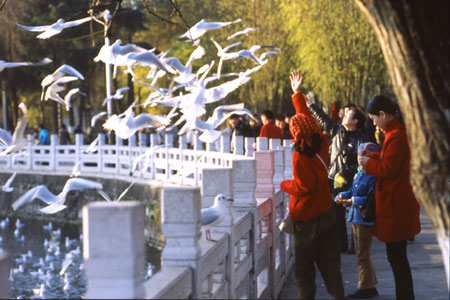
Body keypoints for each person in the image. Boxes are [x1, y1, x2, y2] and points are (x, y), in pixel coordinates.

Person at [281, 70, 347, 300]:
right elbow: (305, 119)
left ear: (294, 133)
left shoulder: (300, 156)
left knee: (304, 269)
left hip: (306, 218)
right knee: (330, 263)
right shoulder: (321, 143)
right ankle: (339, 295)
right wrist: (296, 93)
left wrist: (283, 185)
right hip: (326, 211)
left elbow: (302, 187)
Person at [359, 95, 420, 300]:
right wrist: (373, 157)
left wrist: (368, 164)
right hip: (398, 202)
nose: (374, 122)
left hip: (396, 205)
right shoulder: (395, 133)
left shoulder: (396, 135)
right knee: (397, 258)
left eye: (374, 118)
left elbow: (388, 169)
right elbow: (390, 161)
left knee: (397, 258)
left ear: (383, 114)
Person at [306, 94, 368, 253]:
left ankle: (356, 244)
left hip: (352, 180)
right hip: (334, 178)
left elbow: (363, 165)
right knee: (336, 213)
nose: (344, 116)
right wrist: (311, 105)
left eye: (348, 115)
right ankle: (341, 244)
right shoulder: (337, 132)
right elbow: (324, 120)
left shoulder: (361, 140)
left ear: (355, 121)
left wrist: (346, 170)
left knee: (355, 212)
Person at [336, 142, 380, 299]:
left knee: (362, 254)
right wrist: (343, 195)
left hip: (365, 220)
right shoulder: (359, 173)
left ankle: (364, 287)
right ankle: (371, 285)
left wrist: (353, 200)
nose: (360, 159)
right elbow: (352, 190)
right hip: (355, 218)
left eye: (364, 156)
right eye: (359, 156)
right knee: (363, 253)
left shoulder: (373, 175)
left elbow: (371, 198)